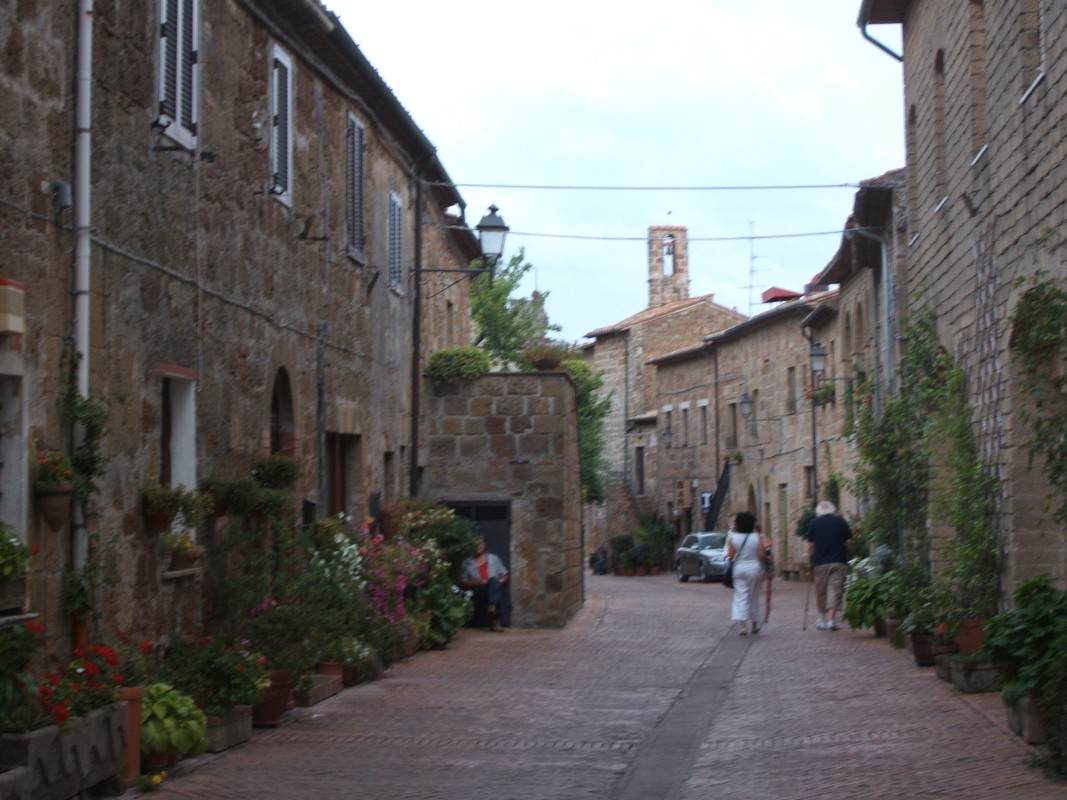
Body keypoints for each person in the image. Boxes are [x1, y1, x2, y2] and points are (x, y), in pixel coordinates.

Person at [806, 500, 853, 631]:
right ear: (832, 509)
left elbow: (811, 545)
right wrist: (850, 552)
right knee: (835, 590)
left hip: (820, 563)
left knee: (821, 591)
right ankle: (831, 620)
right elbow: (849, 541)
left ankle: (822, 619)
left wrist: (811, 559)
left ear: (818, 511)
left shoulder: (813, 523)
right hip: (838, 561)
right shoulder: (840, 521)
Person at [726, 511, 772, 635]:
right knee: (754, 596)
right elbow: (762, 555)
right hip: (755, 568)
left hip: (739, 569)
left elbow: (730, 556)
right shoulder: (757, 537)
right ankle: (754, 625)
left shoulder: (733, 538)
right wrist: (768, 560)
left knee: (741, 596)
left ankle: (743, 627)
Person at [460, 537, 509, 632]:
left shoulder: (493, 558)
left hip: (492, 587)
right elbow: (463, 581)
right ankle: (494, 620)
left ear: (483, 545)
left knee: (494, 582)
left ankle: (492, 606)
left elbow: (505, 574)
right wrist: (478, 582)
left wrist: (500, 581)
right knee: (495, 589)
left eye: (479, 544)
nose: (477, 547)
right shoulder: (467, 562)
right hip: (477, 588)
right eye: (474, 545)